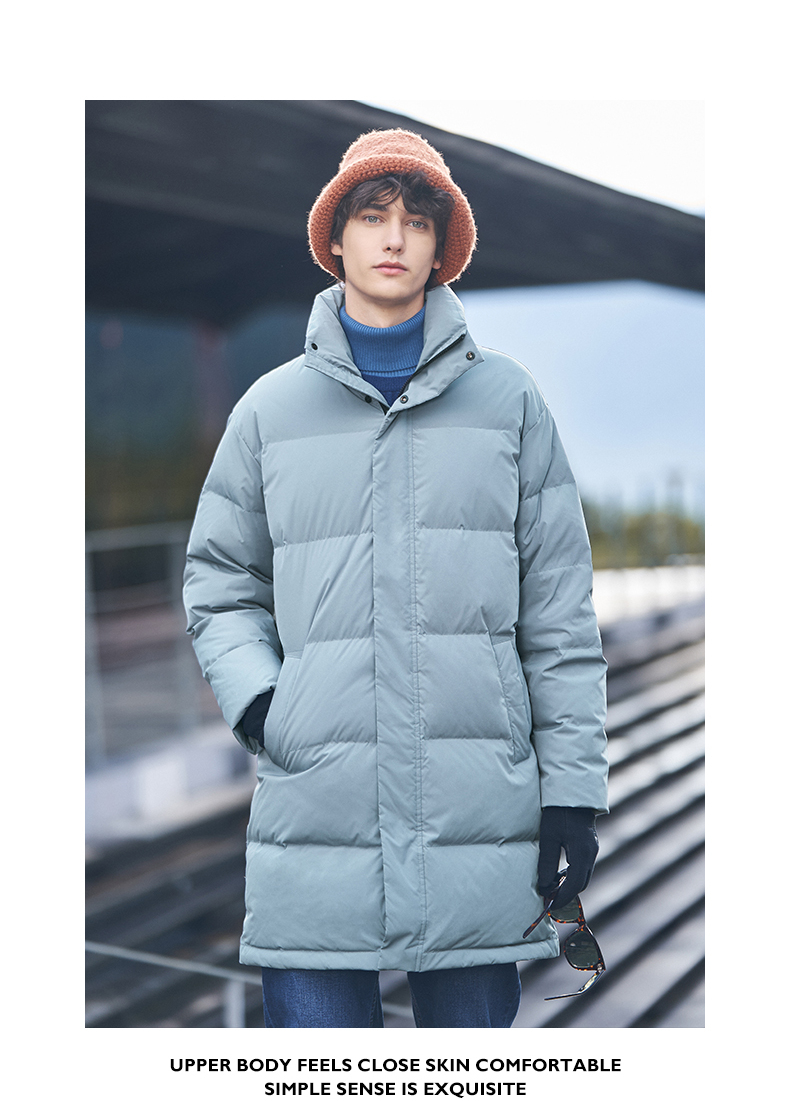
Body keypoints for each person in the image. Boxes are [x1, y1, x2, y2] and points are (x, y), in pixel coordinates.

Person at [183, 128, 608, 1028]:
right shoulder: (268, 411)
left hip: (477, 824)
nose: (393, 237)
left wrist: (573, 793)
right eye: (372, 216)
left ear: (441, 247)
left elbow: (561, 613)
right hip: (315, 816)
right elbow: (219, 580)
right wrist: (266, 704)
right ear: (334, 239)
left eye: (417, 221)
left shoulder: (510, 403)